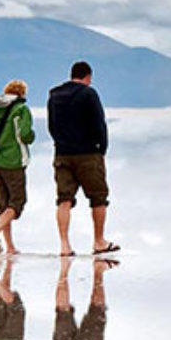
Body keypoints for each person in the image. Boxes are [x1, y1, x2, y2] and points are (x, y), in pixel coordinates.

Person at [47, 61, 118, 257]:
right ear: (87, 77)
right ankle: (99, 241)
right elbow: (99, 124)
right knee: (98, 198)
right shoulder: (89, 93)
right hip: (88, 154)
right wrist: (101, 149)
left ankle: (64, 245)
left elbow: (51, 125)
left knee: (64, 200)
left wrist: (60, 143)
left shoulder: (54, 95)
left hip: (62, 153)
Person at [0, 79, 35, 255]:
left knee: (3, 204)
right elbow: (25, 134)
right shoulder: (21, 109)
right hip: (13, 161)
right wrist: (31, 136)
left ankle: (10, 247)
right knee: (17, 202)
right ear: (22, 93)